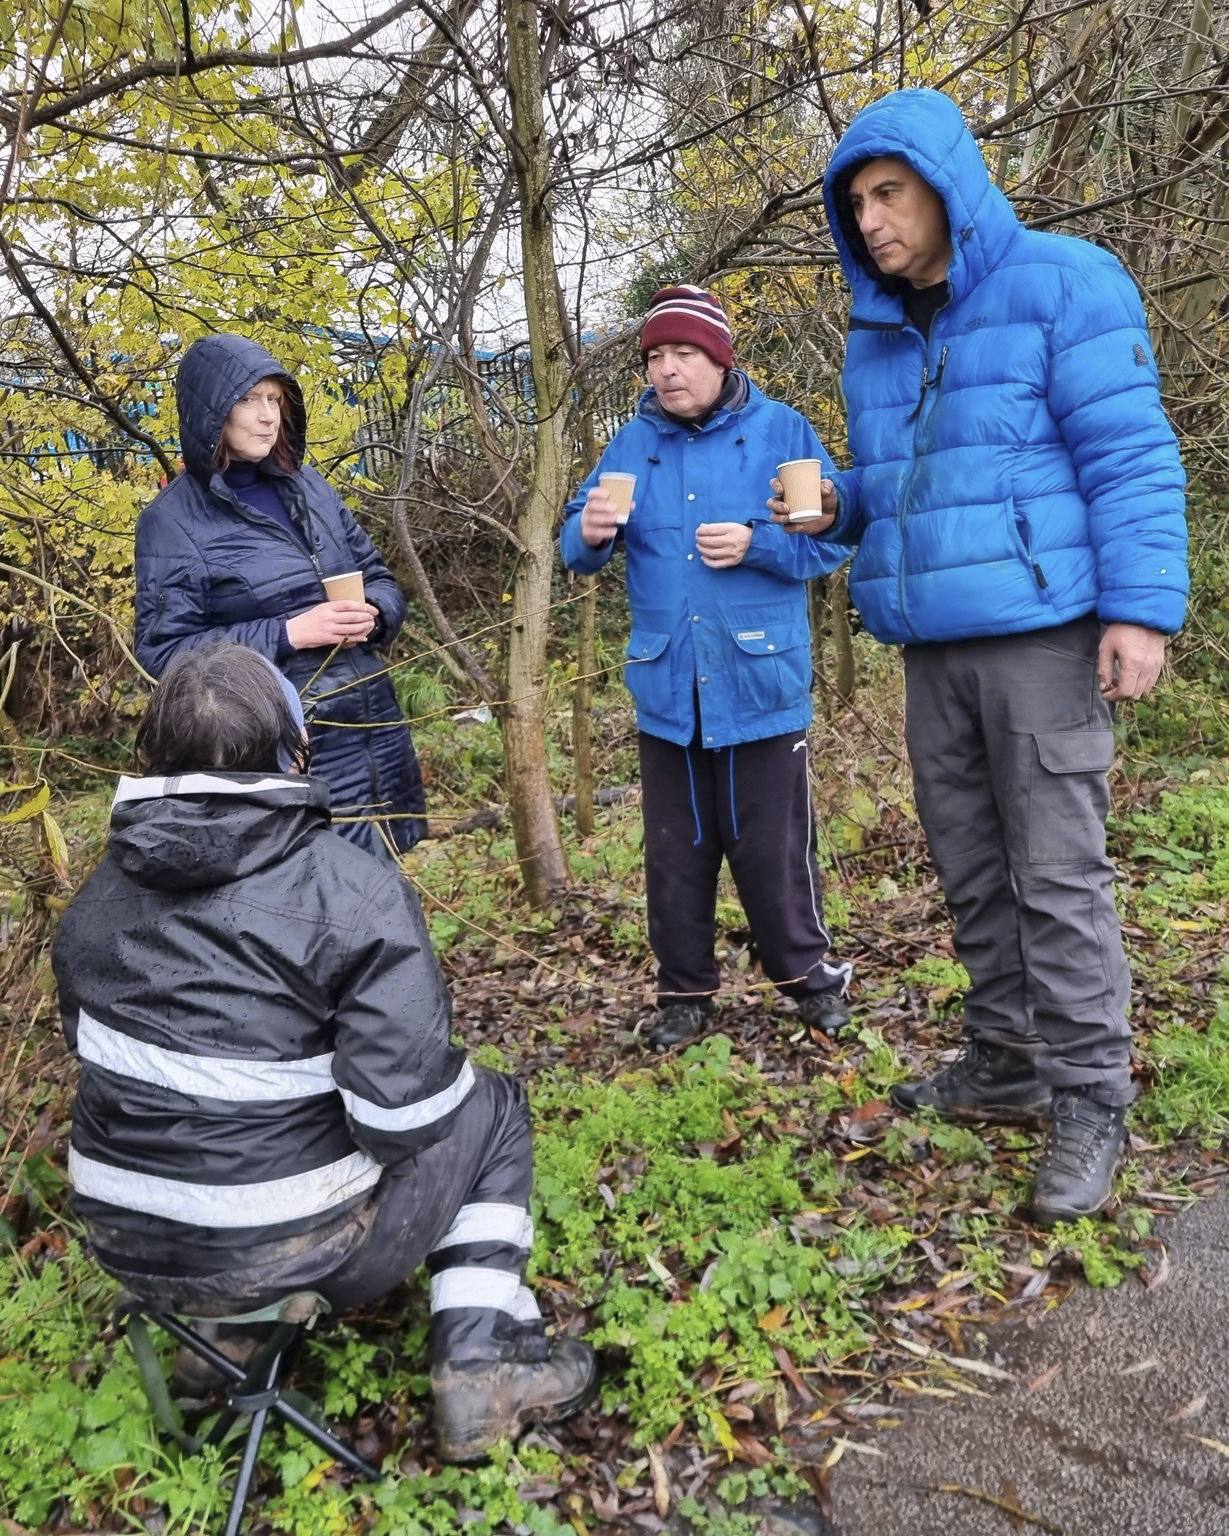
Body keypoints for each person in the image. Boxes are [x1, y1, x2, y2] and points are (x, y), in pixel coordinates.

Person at [775, 89, 1188, 1223]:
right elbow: (916, 482)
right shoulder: (877, 330)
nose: (868, 220)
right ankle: (1004, 1061)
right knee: (967, 867)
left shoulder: (1063, 281)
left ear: (944, 183)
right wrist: (838, 510)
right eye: (853, 202)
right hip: (931, 648)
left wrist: (1140, 610)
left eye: (887, 192)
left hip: (1042, 637)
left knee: (1056, 877)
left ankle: (1090, 1096)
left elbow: (1129, 455)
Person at [50, 644, 596, 1463]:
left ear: (154, 755)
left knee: (214, 1137)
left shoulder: (92, 899)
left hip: (120, 1238)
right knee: (491, 1107)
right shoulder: (351, 887)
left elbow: (99, 1056)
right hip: (292, 1245)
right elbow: (403, 1113)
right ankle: (480, 1367)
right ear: (294, 750)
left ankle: (221, 1348)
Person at [560, 285, 853, 1052]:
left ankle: (808, 980)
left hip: (759, 684)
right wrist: (588, 533)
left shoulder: (781, 430)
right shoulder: (631, 444)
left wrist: (758, 543)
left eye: (683, 353)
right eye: (655, 355)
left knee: (773, 851)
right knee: (676, 853)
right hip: (668, 689)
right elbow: (575, 551)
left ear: (720, 359)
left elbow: (829, 540)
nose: (666, 369)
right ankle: (683, 993)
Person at [134, 332, 425, 861]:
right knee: (314, 902)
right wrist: (289, 633)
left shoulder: (309, 486)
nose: (267, 416)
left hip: (372, 729)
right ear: (211, 414)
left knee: (384, 895)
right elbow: (164, 654)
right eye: (249, 399)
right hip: (284, 749)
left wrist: (377, 614)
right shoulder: (172, 523)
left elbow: (379, 576)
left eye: (274, 399)